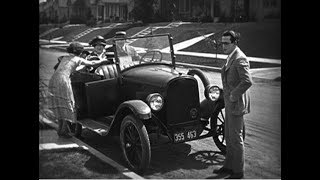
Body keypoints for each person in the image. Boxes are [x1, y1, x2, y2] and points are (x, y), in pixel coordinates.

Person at [212, 30, 253, 179]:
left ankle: (238, 171)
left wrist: (233, 95)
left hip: (236, 104)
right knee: (229, 136)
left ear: (234, 43)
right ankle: (228, 166)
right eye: (221, 43)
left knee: (236, 138)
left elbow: (247, 81)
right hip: (230, 103)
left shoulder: (240, 58)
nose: (223, 46)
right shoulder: (231, 56)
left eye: (226, 43)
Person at [47, 42, 108, 138]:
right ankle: (64, 130)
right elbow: (92, 63)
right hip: (63, 80)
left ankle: (60, 129)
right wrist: (103, 61)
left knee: (61, 103)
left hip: (54, 79)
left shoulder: (65, 58)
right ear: (80, 52)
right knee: (69, 103)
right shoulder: (77, 59)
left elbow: (72, 68)